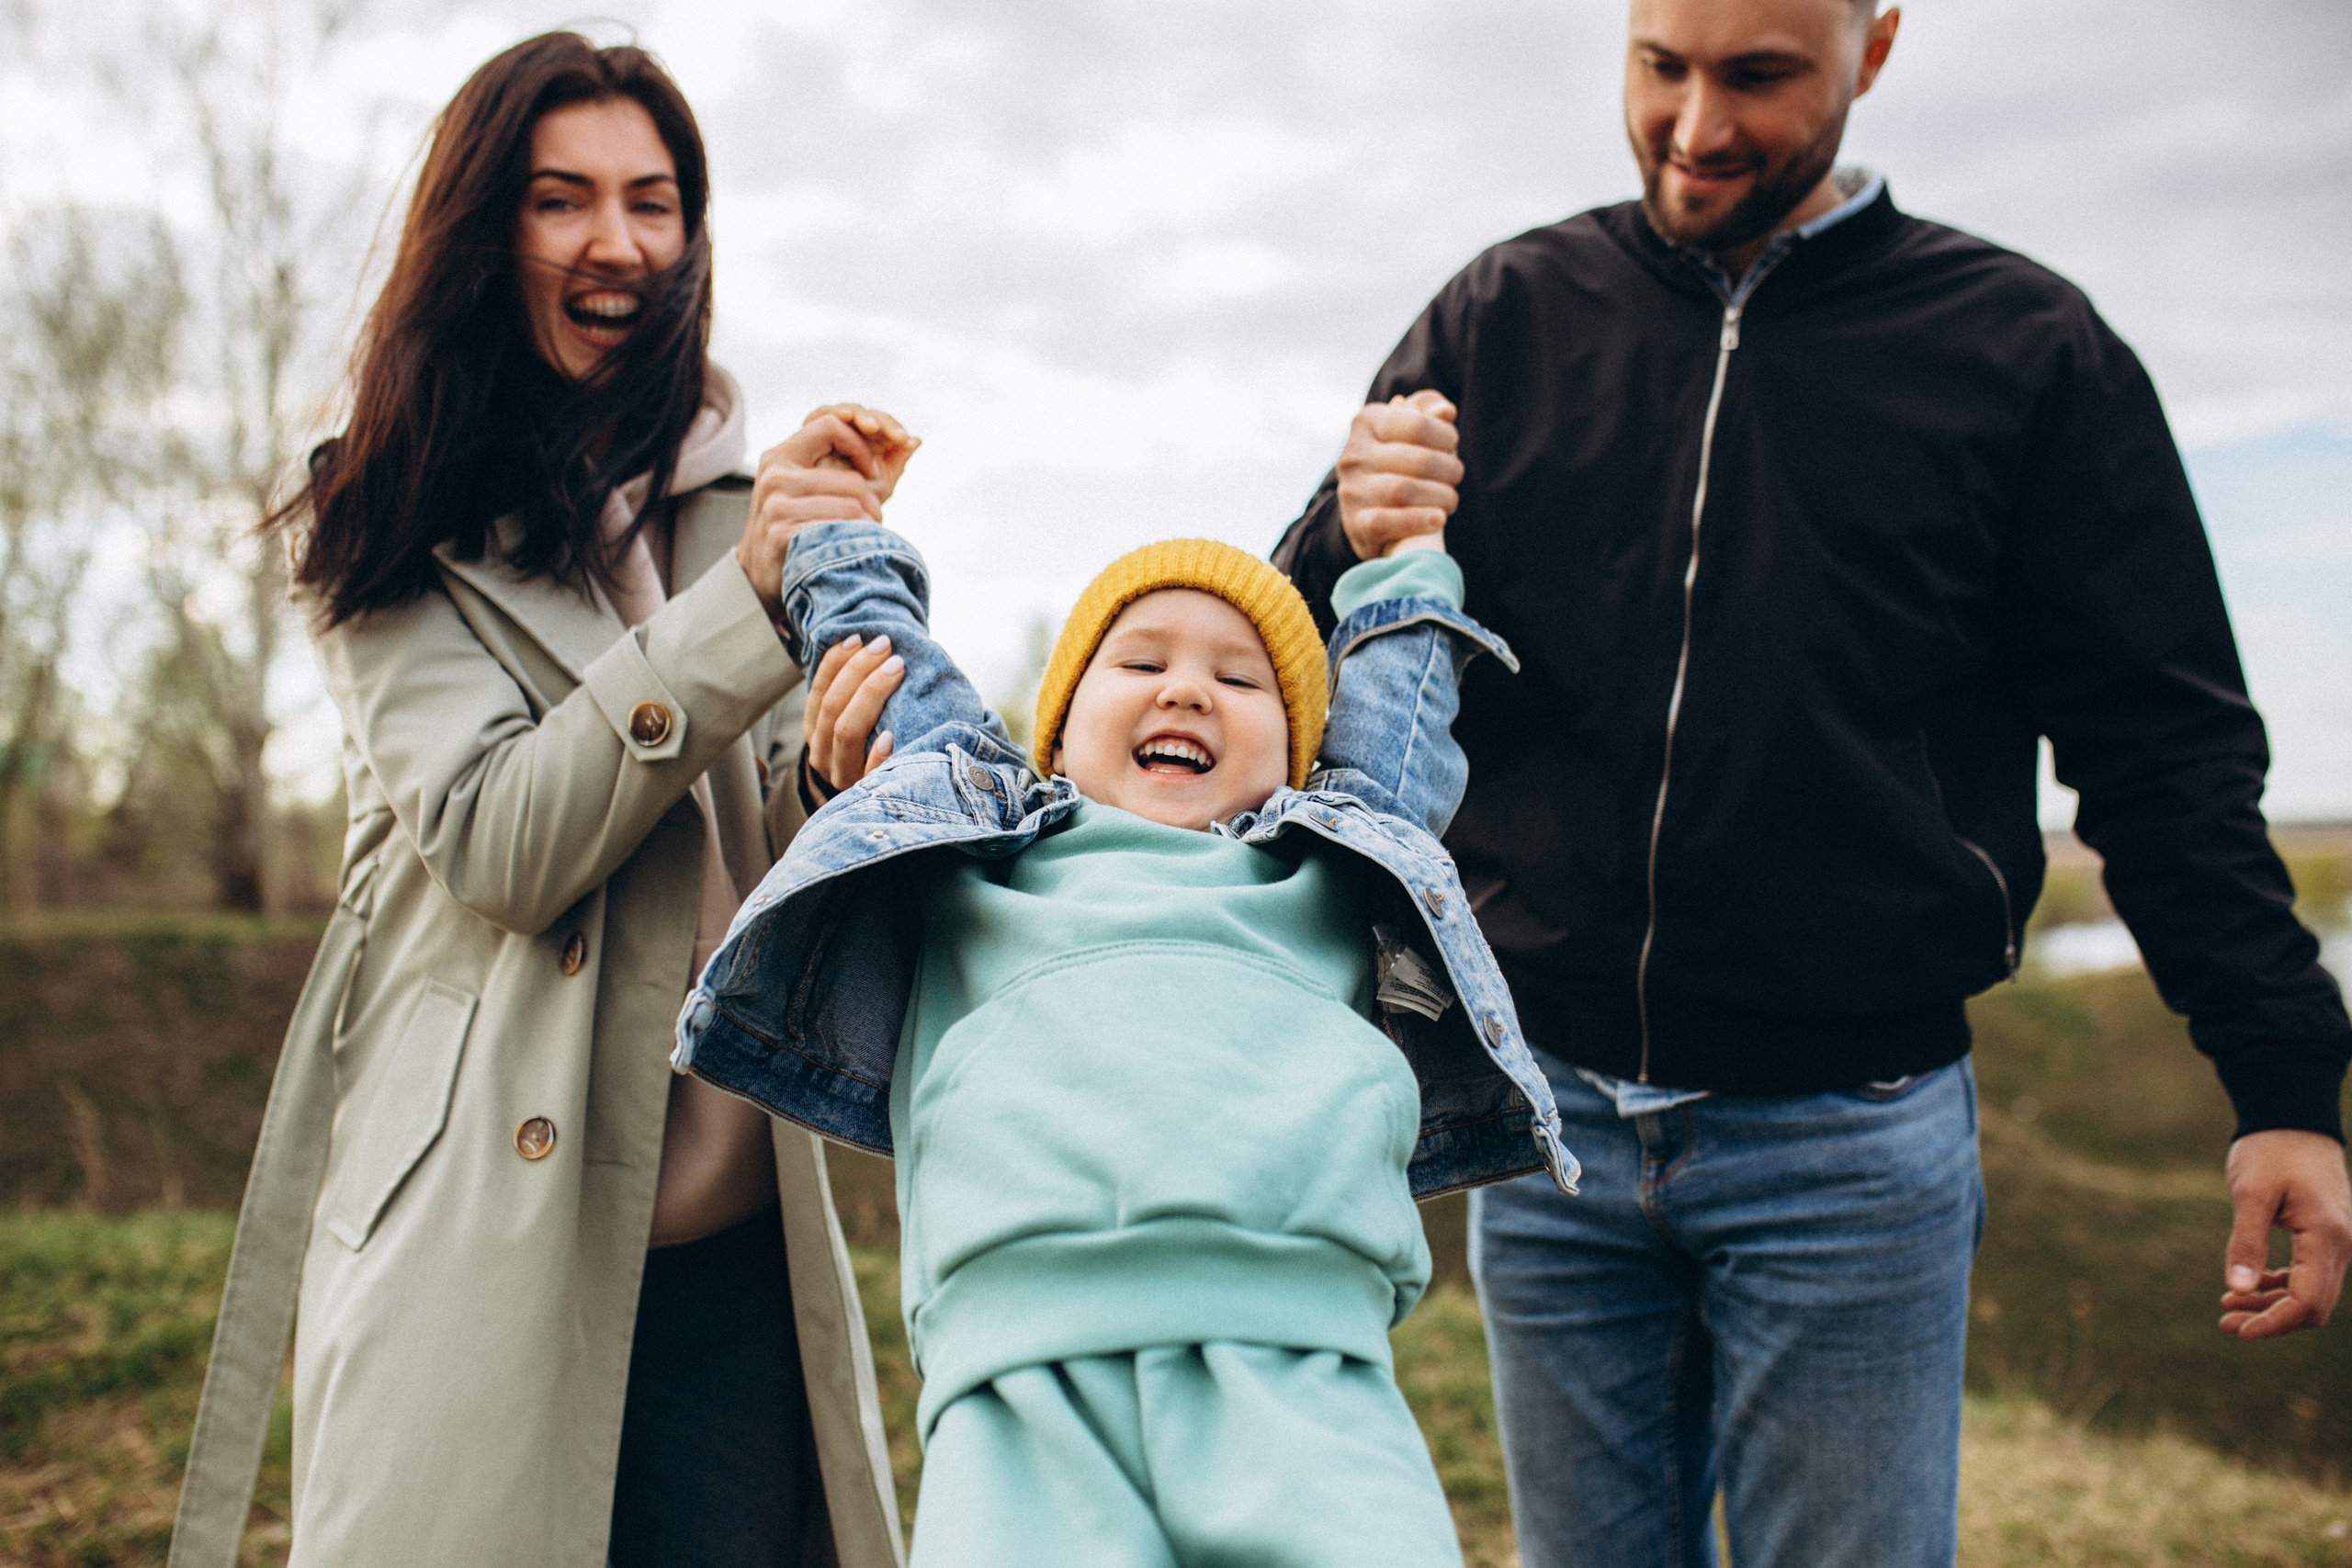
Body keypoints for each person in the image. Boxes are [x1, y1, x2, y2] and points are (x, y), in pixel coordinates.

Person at [1272, 1, 2352, 1564]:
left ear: (1877, 45)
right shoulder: (1504, 314)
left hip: (1849, 1144)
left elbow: (2163, 754)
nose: (1698, 125)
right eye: (1662, 68)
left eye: (1760, 74)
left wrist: (2283, 1091)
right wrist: (1338, 538)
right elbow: (1289, 667)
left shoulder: (2026, 353)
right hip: (1551, 1125)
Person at [169, 34, 915, 1568]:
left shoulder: (744, 512)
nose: (617, 243)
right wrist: (743, 616)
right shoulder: (386, 511)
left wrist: (853, 762)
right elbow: (505, 843)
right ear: (482, 231)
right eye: (561, 199)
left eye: (654, 203)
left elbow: (784, 866)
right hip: (480, 1256)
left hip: (738, 1253)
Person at [671, 503, 1579, 1566]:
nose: (1186, 688)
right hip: (1018, 1382)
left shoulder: (1332, 860)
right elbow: (894, 661)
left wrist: (1406, 567)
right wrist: (837, 541)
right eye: (1138, 660)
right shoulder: (983, 845)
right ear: (1052, 737)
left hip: (1304, 1368)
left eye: (1241, 682)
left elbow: (1403, 711)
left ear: (1300, 760)